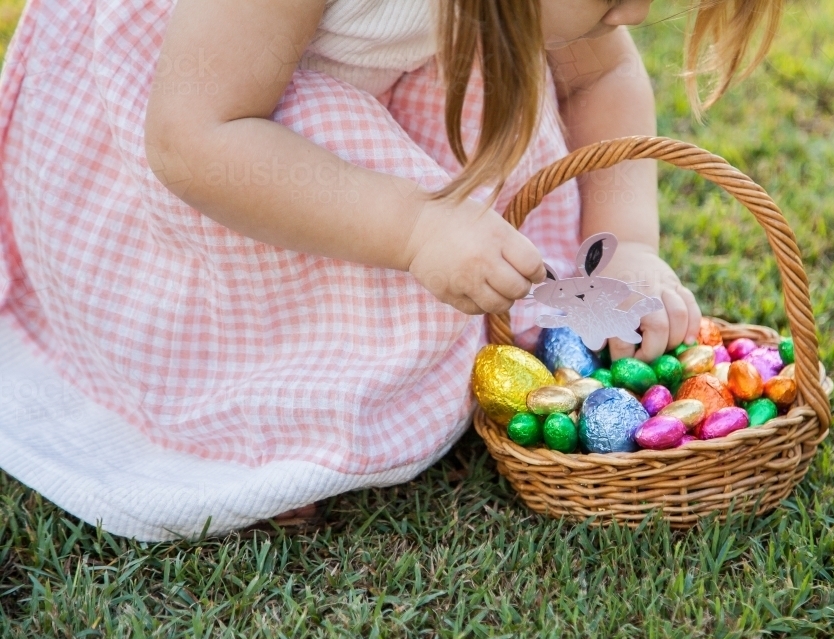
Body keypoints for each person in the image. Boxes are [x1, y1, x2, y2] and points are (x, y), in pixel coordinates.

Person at [0, 0, 783, 540]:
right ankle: (259, 414)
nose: (639, 13)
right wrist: (414, 226)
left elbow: (598, 77)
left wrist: (628, 245)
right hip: (203, 127)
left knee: (487, 94)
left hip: (343, 82)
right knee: (336, 194)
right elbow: (193, 140)